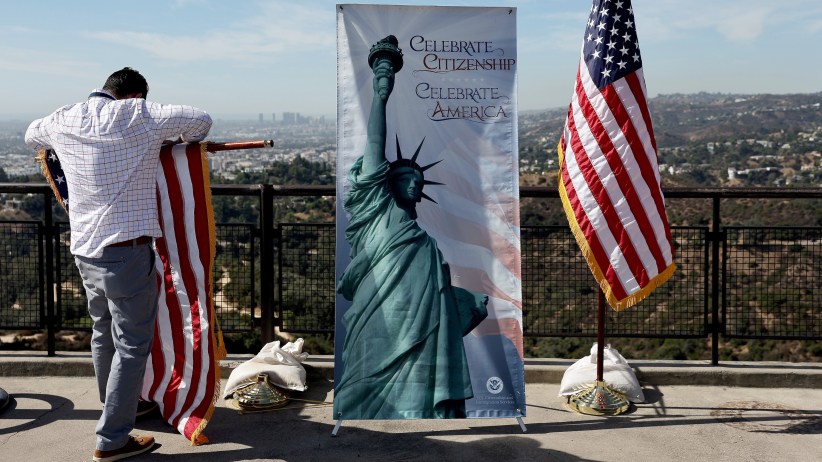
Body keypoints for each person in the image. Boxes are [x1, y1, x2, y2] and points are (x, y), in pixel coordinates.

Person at [25, 67, 212, 461]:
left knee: (102, 331)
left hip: (85, 250)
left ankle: (114, 405)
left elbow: (31, 135)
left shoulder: (63, 117)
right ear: (135, 95)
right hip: (126, 250)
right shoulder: (138, 114)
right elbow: (201, 120)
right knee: (131, 346)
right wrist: (173, 139)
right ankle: (111, 439)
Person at [335, 37, 488, 419]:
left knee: (422, 376)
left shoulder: (422, 238)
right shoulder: (377, 208)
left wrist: (464, 302)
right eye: (406, 177)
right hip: (380, 312)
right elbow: (375, 146)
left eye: (419, 180)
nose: (415, 183)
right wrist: (381, 92)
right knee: (365, 377)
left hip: (424, 324)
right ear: (387, 182)